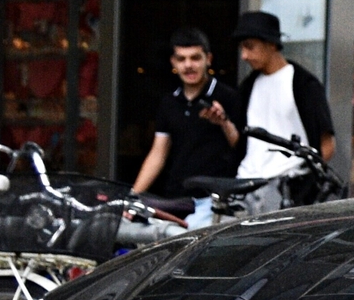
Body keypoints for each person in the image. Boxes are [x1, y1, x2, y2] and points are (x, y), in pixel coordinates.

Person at [130, 28, 243, 217]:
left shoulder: (229, 97)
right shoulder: (169, 102)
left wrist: (224, 123)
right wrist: (132, 197)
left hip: (215, 202)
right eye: (181, 59)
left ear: (208, 59)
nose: (188, 65)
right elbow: (158, 155)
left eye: (195, 58)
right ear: (173, 62)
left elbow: (242, 148)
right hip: (176, 200)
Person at [230, 11, 336, 178]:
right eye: (242, 48)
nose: (244, 56)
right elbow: (240, 141)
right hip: (246, 184)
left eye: (250, 46)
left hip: (289, 186)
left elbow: (327, 145)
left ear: (271, 44)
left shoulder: (303, 84)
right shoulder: (247, 86)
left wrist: (306, 184)